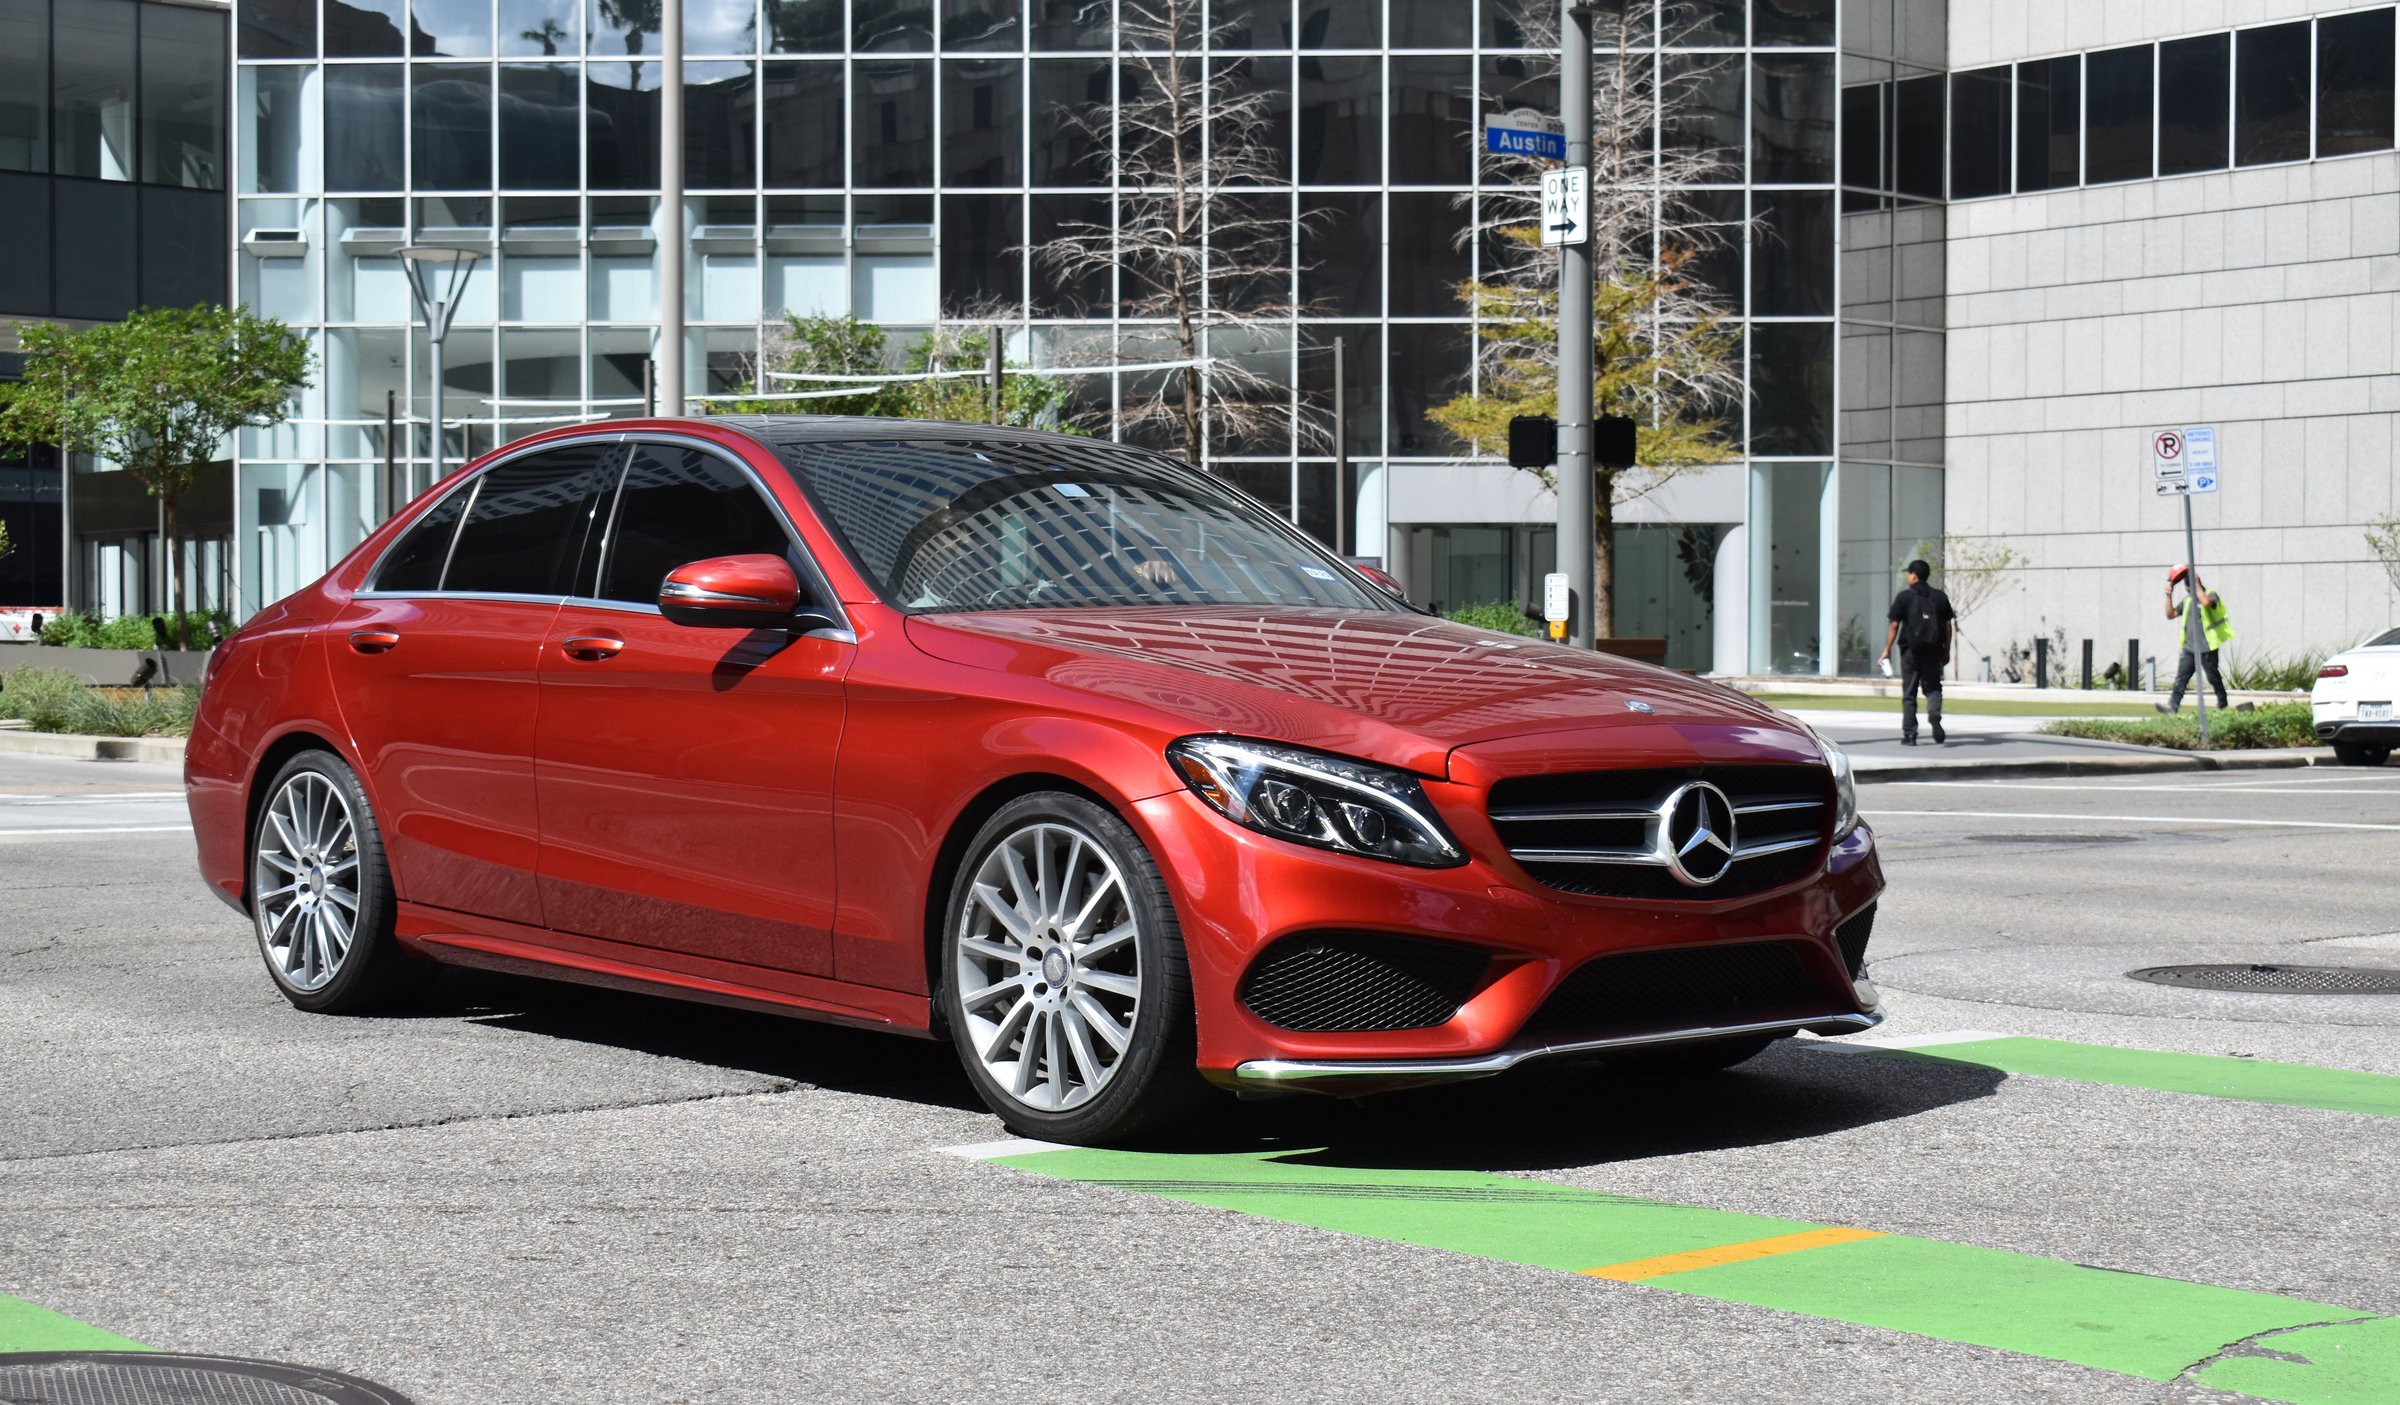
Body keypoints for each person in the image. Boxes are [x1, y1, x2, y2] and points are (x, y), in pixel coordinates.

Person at [1878, 558, 1955, 745]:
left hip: (1910, 651)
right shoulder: (1940, 597)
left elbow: (1894, 625)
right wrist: (1946, 650)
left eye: (1909, 574)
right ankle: (1934, 712)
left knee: (1909, 693)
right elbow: (1947, 626)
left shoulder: (1904, 597)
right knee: (1933, 688)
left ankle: (1910, 734)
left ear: (1914, 575)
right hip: (1933, 651)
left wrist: (1886, 650)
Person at [2157, 564, 2232, 713]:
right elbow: (2170, 614)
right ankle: (2172, 706)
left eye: (2190, 588)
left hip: (2207, 647)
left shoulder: (2211, 595)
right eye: (2188, 589)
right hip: (2189, 647)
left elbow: (2206, 603)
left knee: (2213, 678)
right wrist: (2168, 595)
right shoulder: (2188, 600)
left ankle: (2223, 705)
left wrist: (2196, 585)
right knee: (2181, 679)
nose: (2189, 591)